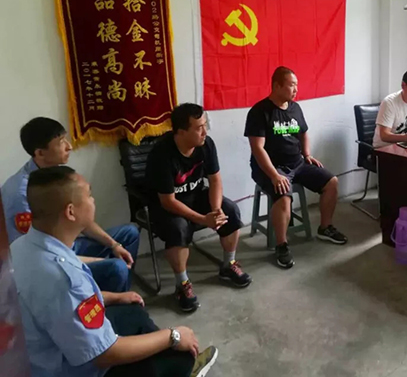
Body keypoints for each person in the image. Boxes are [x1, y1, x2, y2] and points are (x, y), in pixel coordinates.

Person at [10, 166, 218, 377]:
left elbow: (65, 306)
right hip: (67, 369)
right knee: (180, 357)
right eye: (89, 195)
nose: (93, 201)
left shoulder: (23, 246)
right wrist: (173, 336)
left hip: (44, 351)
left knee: (132, 311)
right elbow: (104, 354)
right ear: (71, 212)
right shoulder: (63, 277)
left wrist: (115, 297)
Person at [1, 117, 139, 293]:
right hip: (50, 261)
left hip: (67, 246)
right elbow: (36, 254)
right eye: (60, 142)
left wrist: (114, 245)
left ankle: (117, 292)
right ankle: (104, 299)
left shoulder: (57, 174)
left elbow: (81, 219)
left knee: (129, 234)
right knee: (116, 267)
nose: (69, 146)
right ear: (40, 153)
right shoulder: (22, 193)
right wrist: (99, 261)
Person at [146, 103, 251, 313]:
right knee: (178, 228)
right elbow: (168, 201)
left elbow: (215, 180)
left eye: (205, 125)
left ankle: (228, 265)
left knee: (230, 211)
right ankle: (182, 284)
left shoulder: (206, 144)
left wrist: (216, 210)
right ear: (181, 132)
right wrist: (203, 220)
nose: (205, 132)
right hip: (166, 206)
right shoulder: (161, 153)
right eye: (199, 128)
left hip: (196, 196)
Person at [244, 66, 347, 270]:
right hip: (271, 167)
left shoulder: (295, 108)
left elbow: (303, 133)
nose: (295, 90)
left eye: (296, 85)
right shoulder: (259, 111)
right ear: (276, 86)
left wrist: (307, 155)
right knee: (284, 196)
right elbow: (257, 148)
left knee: (331, 182)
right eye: (291, 85)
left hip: (297, 163)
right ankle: (281, 245)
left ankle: (325, 227)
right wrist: (274, 175)